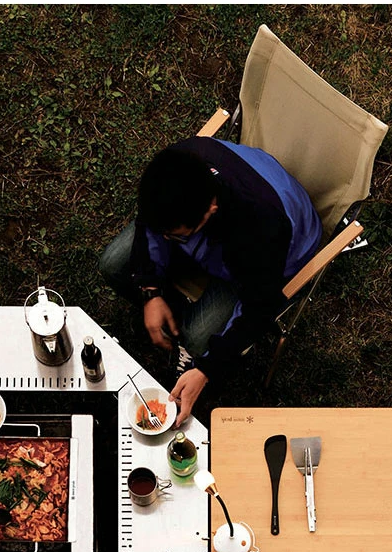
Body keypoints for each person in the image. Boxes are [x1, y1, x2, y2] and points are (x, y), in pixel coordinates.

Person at [98, 139, 322, 426]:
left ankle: (193, 342)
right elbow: (148, 227)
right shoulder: (172, 164)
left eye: (176, 235)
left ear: (211, 208)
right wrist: (151, 290)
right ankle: (178, 317)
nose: (167, 238)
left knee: (197, 335)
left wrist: (207, 369)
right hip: (225, 230)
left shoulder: (261, 229)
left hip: (271, 255)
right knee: (113, 265)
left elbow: (259, 308)